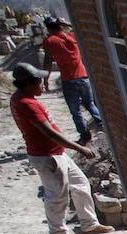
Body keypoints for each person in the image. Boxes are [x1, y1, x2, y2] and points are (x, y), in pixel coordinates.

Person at [9, 63, 112, 234]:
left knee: (81, 184)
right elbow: (50, 133)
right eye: (40, 82)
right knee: (57, 196)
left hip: (56, 152)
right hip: (47, 156)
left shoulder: (20, 98)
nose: (43, 85)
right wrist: (80, 148)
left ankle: (89, 224)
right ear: (28, 83)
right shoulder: (27, 104)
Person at [41, 16, 102, 145]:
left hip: (69, 80)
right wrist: (66, 23)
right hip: (84, 76)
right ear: (59, 25)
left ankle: (85, 136)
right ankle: (101, 125)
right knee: (90, 103)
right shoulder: (73, 36)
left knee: (76, 111)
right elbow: (79, 29)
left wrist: (45, 79)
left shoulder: (50, 41)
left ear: (48, 28)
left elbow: (47, 62)